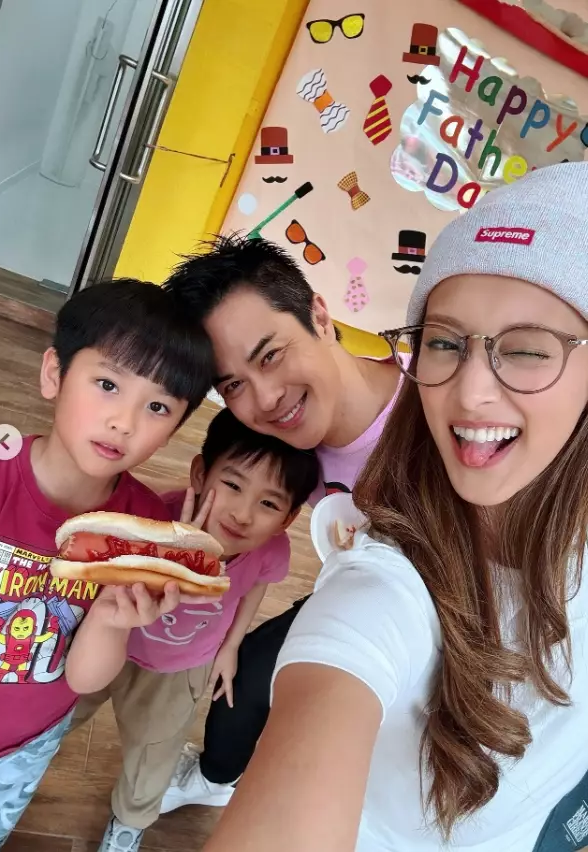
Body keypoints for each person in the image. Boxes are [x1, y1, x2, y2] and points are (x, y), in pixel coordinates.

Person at [200, 161, 588, 852]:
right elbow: (352, 629)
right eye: (444, 343)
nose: (470, 394)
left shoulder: (421, 411)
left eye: (528, 350)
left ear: (321, 316)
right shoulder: (366, 555)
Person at [160, 235, 405, 809]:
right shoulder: (291, 450)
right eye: (233, 385)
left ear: (319, 316)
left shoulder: (435, 406)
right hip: (370, 591)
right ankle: (215, 781)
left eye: (270, 355)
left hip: (478, 627)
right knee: (244, 682)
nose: (266, 398)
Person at [0, 278, 214, 851]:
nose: (125, 422)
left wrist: (111, 620)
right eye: (108, 384)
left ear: (173, 431)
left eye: (157, 406)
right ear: (54, 374)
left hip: (19, 749)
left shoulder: (141, 526)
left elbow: (83, 679)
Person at [66, 406, 319, 852]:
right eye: (233, 485)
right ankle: (12, 772)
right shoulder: (154, 517)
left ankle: (130, 822)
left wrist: (232, 645)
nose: (243, 513)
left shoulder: (269, 549)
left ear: (287, 519)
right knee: (56, 717)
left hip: (180, 670)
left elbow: (256, 585)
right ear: (200, 474)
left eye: (268, 503)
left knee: (154, 757)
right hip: (108, 642)